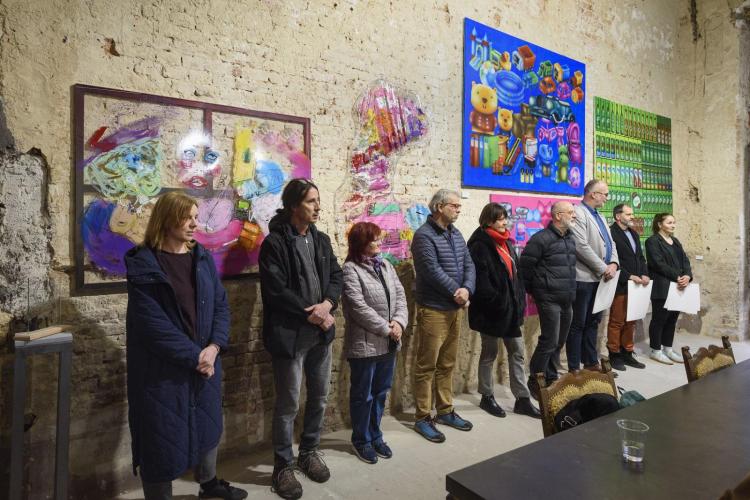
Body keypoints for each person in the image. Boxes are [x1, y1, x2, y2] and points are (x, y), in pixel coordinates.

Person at [124, 191, 247, 500]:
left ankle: (209, 484)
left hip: (206, 362)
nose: (195, 224)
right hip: (162, 371)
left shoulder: (201, 258)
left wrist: (214, 347)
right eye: (187, 217)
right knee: (159, 439)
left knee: (208, 427)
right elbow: (152, 326)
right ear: (167, 219)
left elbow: (220, 306)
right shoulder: (144, 264)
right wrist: (197, 356)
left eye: (196, 217)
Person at [259, 179, 343, 500]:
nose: (317, 207)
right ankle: (283, 465)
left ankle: (308, 451)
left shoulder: (320, 240)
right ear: (294, 205)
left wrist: (328, 304)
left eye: (318, 201)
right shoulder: (275, 243)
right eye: (311, 201)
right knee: (288, 404)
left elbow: (335, 275)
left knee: (319, 397)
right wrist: (312, 313)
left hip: (320, 335)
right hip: (290, 336)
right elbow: (276, 290)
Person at [411, 189, 476, 443]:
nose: (458, 209)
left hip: (454, 309)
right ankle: (422, 417)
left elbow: (469, 264)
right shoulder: (423, 236)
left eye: (459, 206)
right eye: (454, 206)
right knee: (427, 365)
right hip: (434, 309)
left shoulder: (455, 234)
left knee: (447, 364)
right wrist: (456, 292)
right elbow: (430, 270)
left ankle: (445, 410)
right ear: (439, 207)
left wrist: (467, 288)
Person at [342, 222, 408, 464]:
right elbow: (358, 307)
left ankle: (375, 435)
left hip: (389, 343)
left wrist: (399, 323)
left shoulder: (386, 265)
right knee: (363, 395)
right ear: (361, 243)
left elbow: (400, 297)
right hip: (365, 346)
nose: (379, 242)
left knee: (380, 393)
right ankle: (361, 440)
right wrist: (386, 329)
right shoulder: (350, 269)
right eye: (374, 239)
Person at [467, 203, 540, 419]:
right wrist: (499, 303)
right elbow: (481, 283)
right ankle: (487, 396)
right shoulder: (479, 245)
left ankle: (522, 399)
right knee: (489, 354)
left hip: (511, 312)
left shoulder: (507, 242)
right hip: (491, 312)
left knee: (517, 353)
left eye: (505, 218)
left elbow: (515, 276)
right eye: (500, 219)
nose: (505, 222)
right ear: (488, 221)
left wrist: (517, 301)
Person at [520, 201, 577, 399]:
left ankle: (552, 377)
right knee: (549, 341)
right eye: (570, 212)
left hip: (567, 299)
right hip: (549, 298)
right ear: (558, 215)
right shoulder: (541, 238)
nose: (574, 215)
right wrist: (536, 292)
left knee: (559, 341)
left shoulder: (570, 237)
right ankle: (535, 379)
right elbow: (525, 267)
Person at [567, 179, 619, 372]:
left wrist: (614, 263)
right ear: (593, 194)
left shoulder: (601, 216)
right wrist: (603, 268)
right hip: (584, 278)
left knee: (593, 322)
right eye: (605, 194)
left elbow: (611, 243)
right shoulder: (578, 213)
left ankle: (590, 362)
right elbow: (580, 246)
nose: (607, 197)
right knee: (578, 323)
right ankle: (574, 368)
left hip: (601, 278)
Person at [645, 213, 692, 364]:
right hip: (662, 286)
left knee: (672, 319)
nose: (673, 225)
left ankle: (668, 348)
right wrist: (677, 276)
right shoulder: (652, 241)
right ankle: (656, 350)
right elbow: (658, 264)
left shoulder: (675, 241)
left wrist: (687, 275)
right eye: (669, 222)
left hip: (677, 286)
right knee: (659, 319)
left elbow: (685, 260)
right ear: (659, 224)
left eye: (674, 222)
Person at [606, 204, 649, 370]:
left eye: (632, 214)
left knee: (631, 321)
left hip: (637, 285)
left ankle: (627, 352)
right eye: (628, 214)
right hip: (621, 283)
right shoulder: (611, 233)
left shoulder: (633, 233)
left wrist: (644, 273)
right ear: (618, 216)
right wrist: (629, 276)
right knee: (617, 321)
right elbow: (610, 260)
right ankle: (614, 354)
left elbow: (640, 257)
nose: (632, 217)